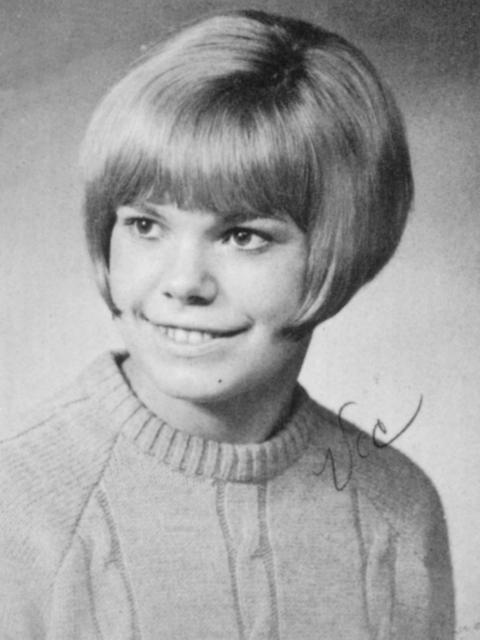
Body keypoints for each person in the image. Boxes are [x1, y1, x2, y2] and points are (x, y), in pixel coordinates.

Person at [0, 9, 454, 639]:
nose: (183, 282)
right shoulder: (17, 503)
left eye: (242, 235)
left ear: (343, 248)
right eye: (145, 225)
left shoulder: (397, 513)